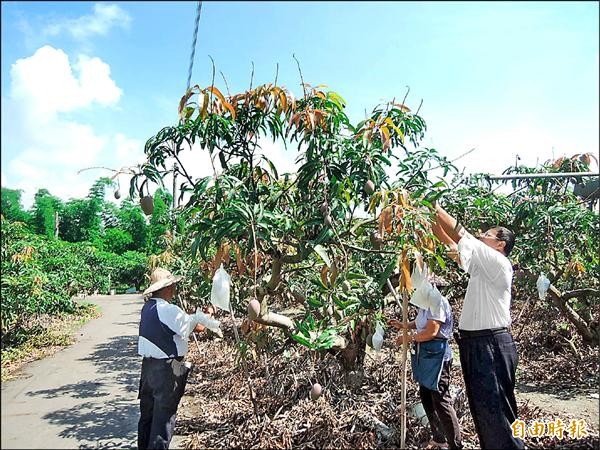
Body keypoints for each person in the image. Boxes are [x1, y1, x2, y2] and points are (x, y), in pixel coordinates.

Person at [431, 201, 524, 449]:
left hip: (490, 344)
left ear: (500, 244)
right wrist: (428, 223)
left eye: (488, 235)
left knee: (496, 411)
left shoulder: (497, 262)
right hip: (478, 345)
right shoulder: (482, 267)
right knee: (484, 410)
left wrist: (434, 206)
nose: (482, 237)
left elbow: (462, 234)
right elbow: (453, 247)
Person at [137, 267, 213, 450]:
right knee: (163, 417)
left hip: (148, 368)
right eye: (173, 285)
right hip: (167, 369)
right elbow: (199, 327)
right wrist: (209, 313)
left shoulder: (148, 307)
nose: (175, 289)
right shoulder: (168, 309)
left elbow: (181, 323)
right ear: (168, 288)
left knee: (148, 415)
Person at [389, 274, 462, 450]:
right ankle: (439, 438)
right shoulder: (426, 303)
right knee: (427, 397)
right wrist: (404, 325)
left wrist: (408, 338)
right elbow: (422, 322)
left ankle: (455, 445)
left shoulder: (437, 301)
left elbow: (431, 331)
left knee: (441, 400)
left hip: (437, 356)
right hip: (426, 355)